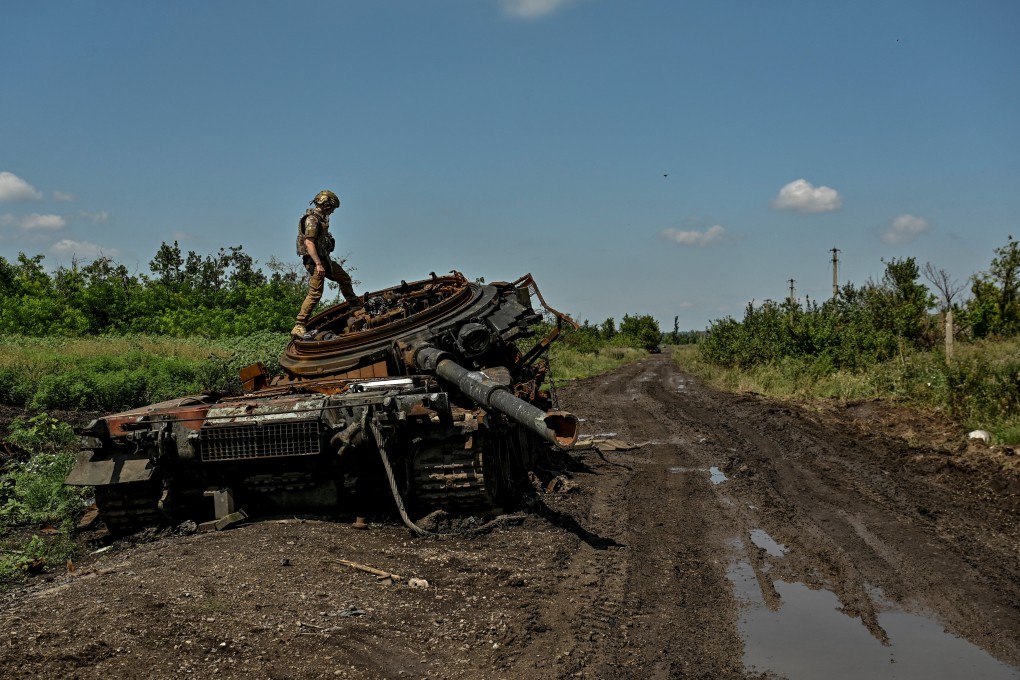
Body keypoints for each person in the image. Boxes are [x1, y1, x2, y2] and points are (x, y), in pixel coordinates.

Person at [291, 189, 359, 337]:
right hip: (316, 261)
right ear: (326, 205)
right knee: (315, 293)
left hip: (324, 259)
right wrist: (318, 264)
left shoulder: (321, 219)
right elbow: (309, 243)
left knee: (344, 278)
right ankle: (299, 325)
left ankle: (355, 306)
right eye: (332, 207)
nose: (333, 211)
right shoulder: (312, 220)